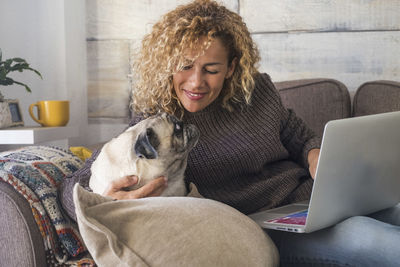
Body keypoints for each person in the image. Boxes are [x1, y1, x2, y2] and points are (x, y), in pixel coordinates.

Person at [60, 0, 400, 266]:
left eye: (211, 70)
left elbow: (297, 134)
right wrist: (105, 197)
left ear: (231, 68)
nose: (196, 82)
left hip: (314, 202)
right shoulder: (157, 120)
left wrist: (316, 157)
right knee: (380, 242)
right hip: (261, 229)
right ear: (169, 64)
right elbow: (78, 181)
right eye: (185, 66)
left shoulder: (257, 91)